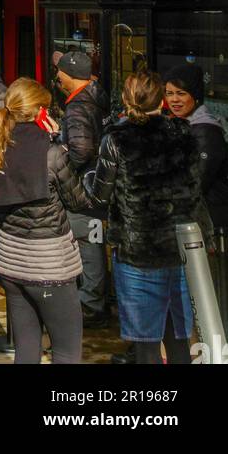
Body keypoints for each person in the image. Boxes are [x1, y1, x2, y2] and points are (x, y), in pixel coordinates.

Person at [87, 70, 210, 365]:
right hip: (178, 249)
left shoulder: (116, 138)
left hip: (135, 252)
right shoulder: (183, 133)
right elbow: (194, 189)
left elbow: (99, 196)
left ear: (127, 99)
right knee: (178, 336)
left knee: (145, 344)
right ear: (161, 99)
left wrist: (89, 176)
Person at [0, 77, 91, 364]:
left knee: (26, 348)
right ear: (41, 111)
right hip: (50, 261)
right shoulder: (50, 154)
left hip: (11, 257)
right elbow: (78, 201)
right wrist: (58, 142)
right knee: (66, 348)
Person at [55, 49, 108, 326]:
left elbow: (81, 149)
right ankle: (95, 299)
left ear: (69, 75)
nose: (57, 78)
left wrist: (62, 168)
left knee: (88, 244)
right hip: (99, 184)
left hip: (84, 186)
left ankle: (90, 304)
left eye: (59, 72)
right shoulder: (98, 97)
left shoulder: (77, 107)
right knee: (94, 241)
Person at [165, 62, 228, 228]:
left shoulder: (207, 132)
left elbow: (197, 181)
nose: (174, 99)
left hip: (209, 220)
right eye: (169, 93)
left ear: (196, 96)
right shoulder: (177, 125)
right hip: (188, 218)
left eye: (181, 93)